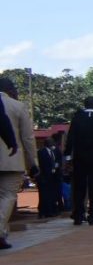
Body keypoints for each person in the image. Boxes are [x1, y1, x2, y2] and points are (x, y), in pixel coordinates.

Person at [0, 78, 39, 252]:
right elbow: (28, 138)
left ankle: (2, 232)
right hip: (12, 159)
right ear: (9, 90)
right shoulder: (17, 106)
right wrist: (33, 163)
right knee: (8, 196)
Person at [66, 96, 93, 226]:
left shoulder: (77, 119)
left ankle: (78, 215)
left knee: (79, 186)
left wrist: (68, 157)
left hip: (80, 157)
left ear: (85, 105)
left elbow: (70, 139)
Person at [35, 134, 62, 218]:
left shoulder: (52, 152)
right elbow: (42, 164)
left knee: (51, 195)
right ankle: (43, 212)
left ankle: (50, 211)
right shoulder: (41, 152)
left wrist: (56, 166)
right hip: (44, 177)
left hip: (52, 177)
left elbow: (55, 160)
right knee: (44, 196)